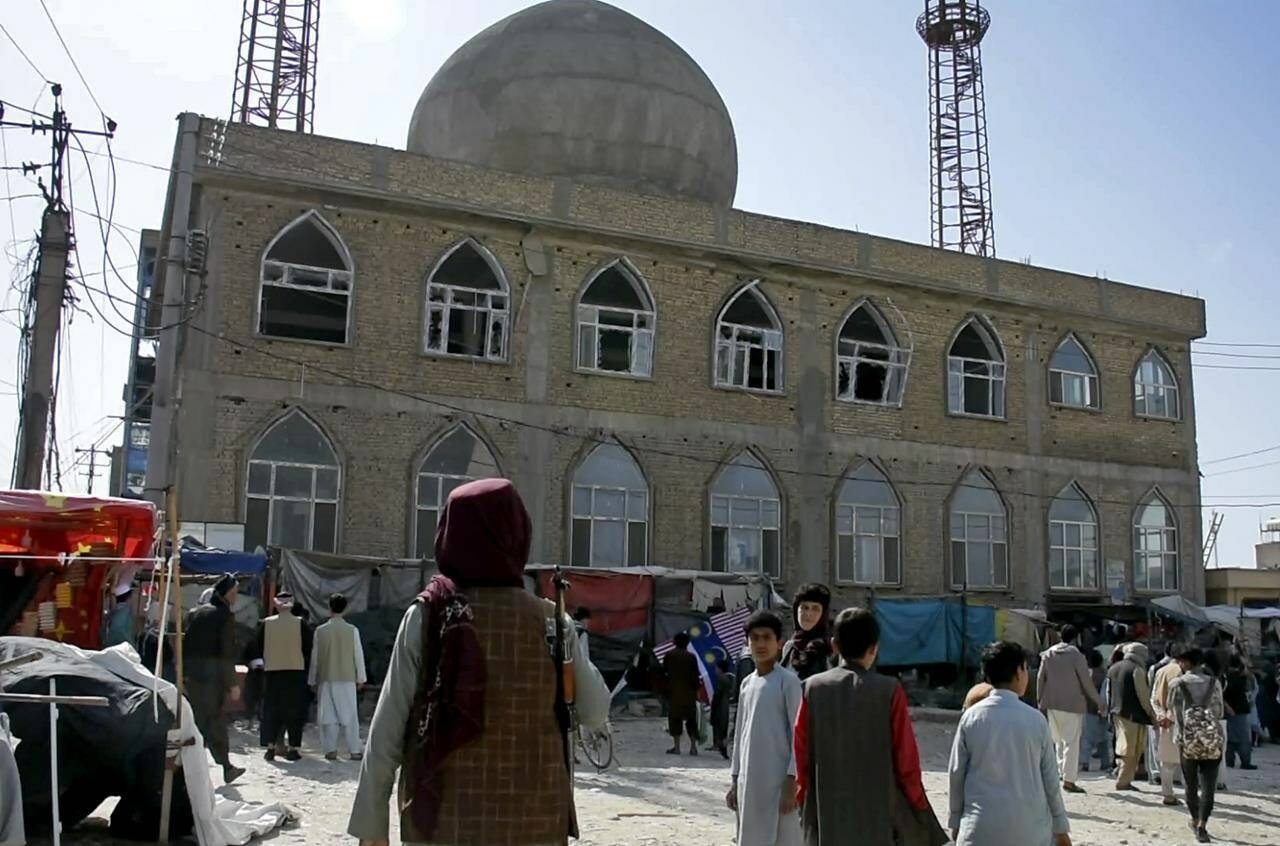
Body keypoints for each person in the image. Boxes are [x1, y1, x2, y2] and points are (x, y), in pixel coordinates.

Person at [348, 478, 609, 846]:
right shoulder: (550, 621)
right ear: (517, 535)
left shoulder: (429, 616)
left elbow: (388, 727)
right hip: (537, 823)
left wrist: (372, 824)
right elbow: (596, 710)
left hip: (444, 824)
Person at [795, 608, 946, 846]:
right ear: (874, 648)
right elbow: (906, 761)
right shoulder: (889, 690)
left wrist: (803, 799)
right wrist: (919, 805)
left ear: (834, 646)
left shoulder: (811, 688)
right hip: (877, 813)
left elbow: (801, 755)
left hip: (825, 811)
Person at [949, 641, 1071, 846]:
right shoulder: (1036, 720)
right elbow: (1050, 781)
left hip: (978, 830)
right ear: (1017, 672)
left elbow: (956, 773)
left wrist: (955, 821)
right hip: (1030, 832)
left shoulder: (971, 717)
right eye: (1024, 668)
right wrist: (1061, 827)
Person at [726, 610, 802, 846]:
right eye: (755, 638)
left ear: (779, 643)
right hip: (749, 782)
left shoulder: (788, 682)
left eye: (767, 637)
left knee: (784, 837)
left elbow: (799, 736)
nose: (760, 643)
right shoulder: (747, 683)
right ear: (747, 643)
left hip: (780, 782)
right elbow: (740, 735)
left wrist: (792, 781)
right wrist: (735, 778)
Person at [183, 573, 245, 784]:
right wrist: (233, 683)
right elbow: (225, 652)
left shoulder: (194, 613)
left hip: (193, 676)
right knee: (213, 721)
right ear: (228, 593)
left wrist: (183, 673)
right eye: (235, 592)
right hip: (212, 678)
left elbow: (185, 645)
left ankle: (193, 768)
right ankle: (224, 766)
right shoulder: (223, 615)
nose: (236, 596)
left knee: (199, 721)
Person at [1036, 624, 1103, 794]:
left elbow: (1040, 678)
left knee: (1058, 740)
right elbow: (1085, 682)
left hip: (1052, 703)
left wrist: (1040, 700)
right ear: (1075, 637)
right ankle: (1069, 780)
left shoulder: (1048, 654)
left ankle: (1060, 773)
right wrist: (1098, 700)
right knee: (1071, 743)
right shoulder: (1076, 655)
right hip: (1072, 704)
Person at [1168, 648, 1226, 843]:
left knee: (1190, 784)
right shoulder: (1214, 683)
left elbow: (1172, 711)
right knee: (1209, 784)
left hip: (1187, 741)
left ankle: (1194, 820)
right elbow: (1219, 711)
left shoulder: (1177, 684)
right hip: (1212, 739)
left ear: (1186, 663)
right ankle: (1203, 824)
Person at [310, 592, 367, 761]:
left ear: (329, 607)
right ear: (345, 608)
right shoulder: (352, 630)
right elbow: (358, 655)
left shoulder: (320, 631)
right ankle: (354, 750)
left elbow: (315, 658)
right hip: (347, 678)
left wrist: (312, 679)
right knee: (350, 715)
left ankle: (330, 749)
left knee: (328, 716)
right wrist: (361, 678)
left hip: (326, 678)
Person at [256, 590, 312, 762]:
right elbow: (308, 648)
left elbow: (257, 647)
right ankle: (293, 748)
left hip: (272, 672)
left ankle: (271, 747)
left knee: (272, 710)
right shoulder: (301, 624)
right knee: (294, 711)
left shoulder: (265, 624)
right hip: (296, 672)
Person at [1107, 642, 1155, 791]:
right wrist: (1151, 714)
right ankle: (1123, 781)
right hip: (1132, 715)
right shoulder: (1137, 670)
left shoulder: (1113, 668)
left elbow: (1108, 693)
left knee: (1123, 747)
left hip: (1117, 712)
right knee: (1131, 750)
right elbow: (1143, 696)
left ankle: (1121, 774)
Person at [1150, 644, 1186, 805]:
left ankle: (1167, 793)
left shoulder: (1161, 670)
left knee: (1167, 762)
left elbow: (1154, 697)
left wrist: (1161, 715)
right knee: (1188, 761)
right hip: (1182, 721)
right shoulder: (1183, 673)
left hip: (1165, 721)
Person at [781, 583, 833, 681]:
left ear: (823, 614)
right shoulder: (789, 647)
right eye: (804, 607)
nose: (809, 614)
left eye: (815, 608)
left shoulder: (829, 648)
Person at [663, 631, 701, 756]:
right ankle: (693, 747)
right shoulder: (691, 657)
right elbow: (696, 676)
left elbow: (664, 673)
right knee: (691, 720)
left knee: (675, 720)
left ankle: (677, 747)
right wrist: (697, 691)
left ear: (674, 642)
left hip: (674, 693)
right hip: (689, 694)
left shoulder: (669, 655)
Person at [1079, 649, 1113, 774]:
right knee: (1103, 739)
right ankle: (1105, 763)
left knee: (1087, 738)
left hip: (1090, 709)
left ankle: (1085, 763)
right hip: (1103, 709)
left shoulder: (1089, 675)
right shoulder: (1104, 673)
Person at [1223, 655, 1256, 770]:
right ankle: (1245, 762)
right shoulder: (1240, 676)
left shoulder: (1225, 676)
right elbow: (1247, 672)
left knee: (1229, 737)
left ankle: (1229, 760)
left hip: (1228, 710)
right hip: (1239, 710)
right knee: (1243, 738)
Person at [708, 659, 734, 759]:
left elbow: (717, 695)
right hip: (725, 706)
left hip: (720, 706)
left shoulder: (722, 679)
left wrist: (713, 705)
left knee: (718, 726)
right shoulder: (728, 678)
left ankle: (720, 746)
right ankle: (720, 746)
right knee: (722, 727)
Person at [101, 583, 135, 648]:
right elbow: (118, 629)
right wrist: (130, 646)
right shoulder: (125, 611)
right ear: (128, 597)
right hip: (122, 649)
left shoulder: (114, 611)